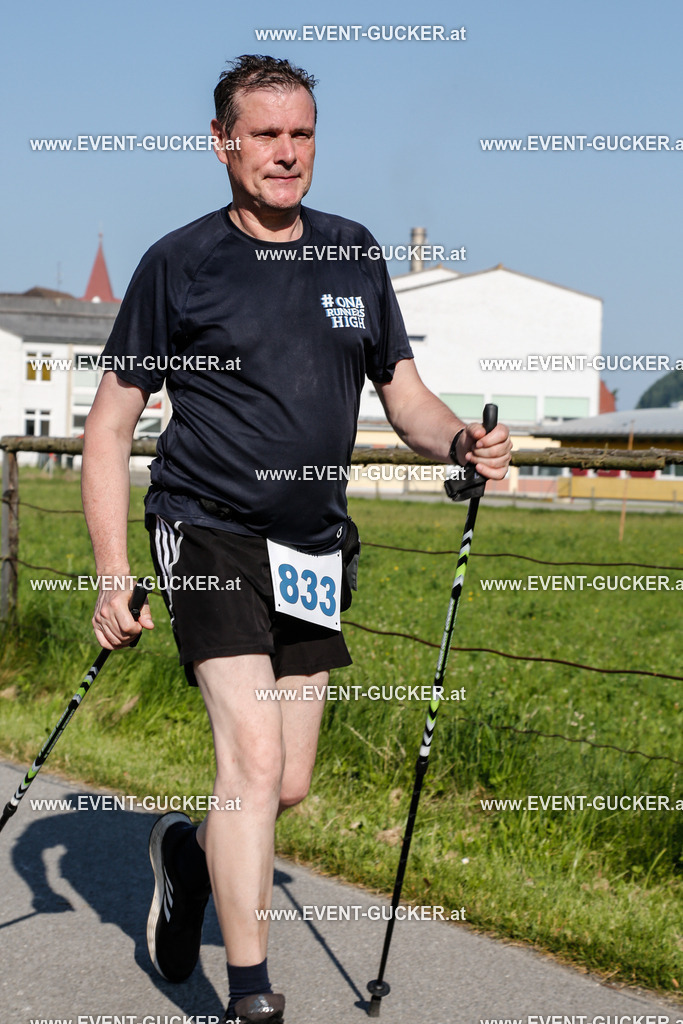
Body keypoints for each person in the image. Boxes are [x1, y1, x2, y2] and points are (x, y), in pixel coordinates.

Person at [82, 54, 512, 1024]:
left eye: (301, 134)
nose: (286, 153)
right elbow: (107, 431)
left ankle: (186, 857)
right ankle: (249, 997)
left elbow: (402, 394)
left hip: (311, 544)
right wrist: (114, 572)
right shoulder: (178, 265)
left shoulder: (353, 254)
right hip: (205, 528)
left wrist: (459, 440)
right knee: (253, 761)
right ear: (223, 142)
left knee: (293, 779)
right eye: (266, 133)